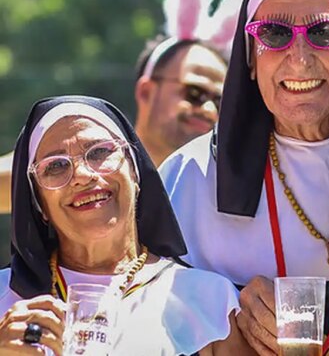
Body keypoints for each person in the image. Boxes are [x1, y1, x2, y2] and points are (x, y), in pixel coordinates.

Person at [160, 0, 329, 355]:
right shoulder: (186, 179)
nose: (299, 58)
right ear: (249, 57)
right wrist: (219, 305)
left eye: (324, 32)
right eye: (274, 33)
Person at [0, 95, 250, 355]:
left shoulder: (210, 300)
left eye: (99, 152)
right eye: (56, 166)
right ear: (39, 205)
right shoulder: (5, 298)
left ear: (135, 171)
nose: (82, 176)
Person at [134, 0, 243, 167]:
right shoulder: (102, 184)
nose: (210, 111)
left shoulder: (231, 197)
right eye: (195, 94)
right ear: (146, 92)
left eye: (221, 103)